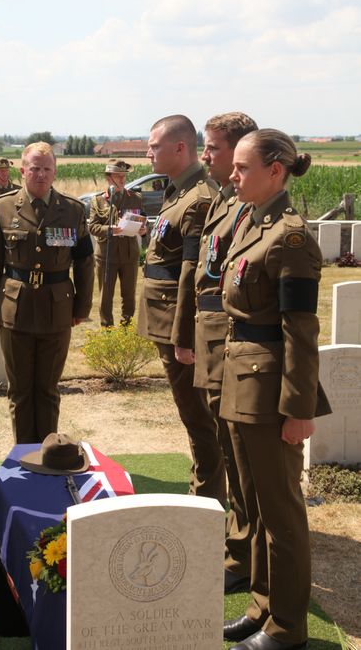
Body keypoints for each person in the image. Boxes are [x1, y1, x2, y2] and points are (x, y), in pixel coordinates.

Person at [220, 129, 322, 650]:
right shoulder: (251, 222)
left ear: (275, 170)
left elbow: (300, 330)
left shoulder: (291, 237)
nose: (233, 176)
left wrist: (299, 410)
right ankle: (263, 607)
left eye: (242, 168)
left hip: (269, 391)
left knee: (281, 513)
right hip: (241, 380)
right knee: (255, 506)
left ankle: (287, 628)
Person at [0, 141, 94, 443]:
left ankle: (47, 453)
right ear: (23, 169)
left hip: (58, 310)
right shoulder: (2, 207)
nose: (40, 174)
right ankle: (23, 456)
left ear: (55, 171)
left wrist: (81, 309)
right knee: (19, 391)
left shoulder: (72, 210)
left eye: (47, 168)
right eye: (34, 168)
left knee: (47, 389)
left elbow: (84, 262)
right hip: (14, 309)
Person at [137, 114, 226, 501]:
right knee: (192, 416)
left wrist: (183, 336)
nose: (148, 152)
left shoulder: (197, 199)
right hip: (164, 319)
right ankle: (204, 493)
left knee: (199, 419)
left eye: (154, 145)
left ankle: (207, 499)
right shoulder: (177, 191)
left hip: (179, 324)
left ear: (179, 148)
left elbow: (193, 274)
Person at [195, 111, 258, 593]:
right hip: (212, 335)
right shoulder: (225, 200)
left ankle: (243, 556)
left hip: (230, 339)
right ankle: (238, 548)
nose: (207, 155)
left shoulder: (247, 205)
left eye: (214, 147)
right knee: (224, 445)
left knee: (239, 457)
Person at [88, 160, 146, 327]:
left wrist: (143, 230)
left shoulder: (135, 198)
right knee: (106, 295)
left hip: (129, 253)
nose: (122, 179)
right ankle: (107, 328)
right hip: (107, 254)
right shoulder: (98, 201)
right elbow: (92, 226)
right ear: (108, 178)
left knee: (129, 295)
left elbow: (143, 221)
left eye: (124, 176)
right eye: (117, 176)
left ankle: (126, 327)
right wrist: (109, 229)